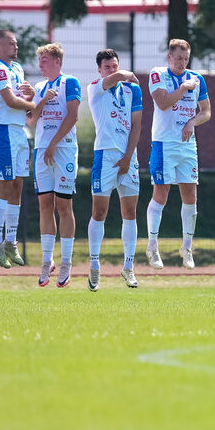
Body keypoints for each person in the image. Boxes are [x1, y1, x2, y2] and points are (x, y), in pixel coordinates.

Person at [146, 39, 211, 270]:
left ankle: (187, 247)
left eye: (186, 58)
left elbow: (206, 112)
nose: (182, 62)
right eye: (178, 58)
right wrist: (183, 88)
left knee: (190, 196)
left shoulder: (197, 78)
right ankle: (152, 247)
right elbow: (163, 103)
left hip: (187, 145)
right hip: (164, 144)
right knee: (161, 194)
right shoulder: (158, 74)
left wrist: (192, 121)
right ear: (169, 57)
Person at [86, 49, 142, 291]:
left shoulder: (133, 90)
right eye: (107, 66)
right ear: (100, 70)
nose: (112, 69)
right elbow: (114, 79)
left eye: (115, 65)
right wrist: (124, 73)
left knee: (130, 212)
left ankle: (128, 266)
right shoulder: (95, 87)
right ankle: (94, 265)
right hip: (105, 155)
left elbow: (137, 125)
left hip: (128, 156)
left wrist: (128, 156)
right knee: (99, 212)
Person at [27, 43, 80, 288]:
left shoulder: (70, 82)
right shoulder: (40, 87)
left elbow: (72, 116)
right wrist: (41, 101)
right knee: (44, 205)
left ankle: (66, 262)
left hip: (64, 150)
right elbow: (31, 120)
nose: (41, 64)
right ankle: (47, 260)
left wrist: (54, 144)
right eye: (40, 61)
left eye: (45, 60)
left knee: (64, 205)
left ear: (57, 61)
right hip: (41, 151)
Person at [0, 29, 35, 268]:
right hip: (3, 131)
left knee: (17, 184)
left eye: (16, 43)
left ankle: (10, 240)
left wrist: (31, 98)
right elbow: (10, 100)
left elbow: (23, 97)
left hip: (18, 131)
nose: (16, 47)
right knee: (4, 185)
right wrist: (35, 105)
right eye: (11, 44)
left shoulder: (17, 68)